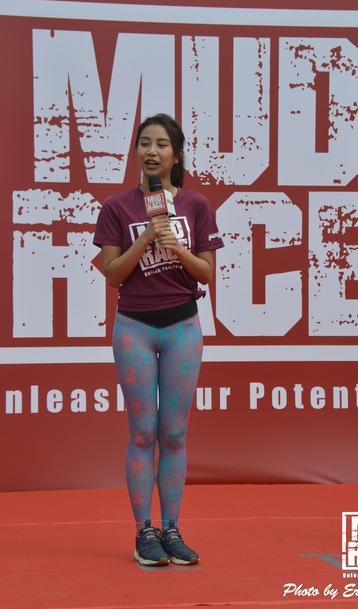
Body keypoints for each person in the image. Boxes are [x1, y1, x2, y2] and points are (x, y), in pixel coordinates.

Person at [94, 113, 224, 566]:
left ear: (176, 154)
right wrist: (148, 235)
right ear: (136, 152)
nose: (152, 151)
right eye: (144, 143)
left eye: (161, 144)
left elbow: (206, 272)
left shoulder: (196, 205)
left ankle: (171, 529)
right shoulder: (117, 207)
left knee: (173, 432)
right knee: (143, 432)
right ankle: (143, 533)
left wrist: (176, 246)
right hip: (134, 329)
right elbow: (113, 274)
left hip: (182, 329)